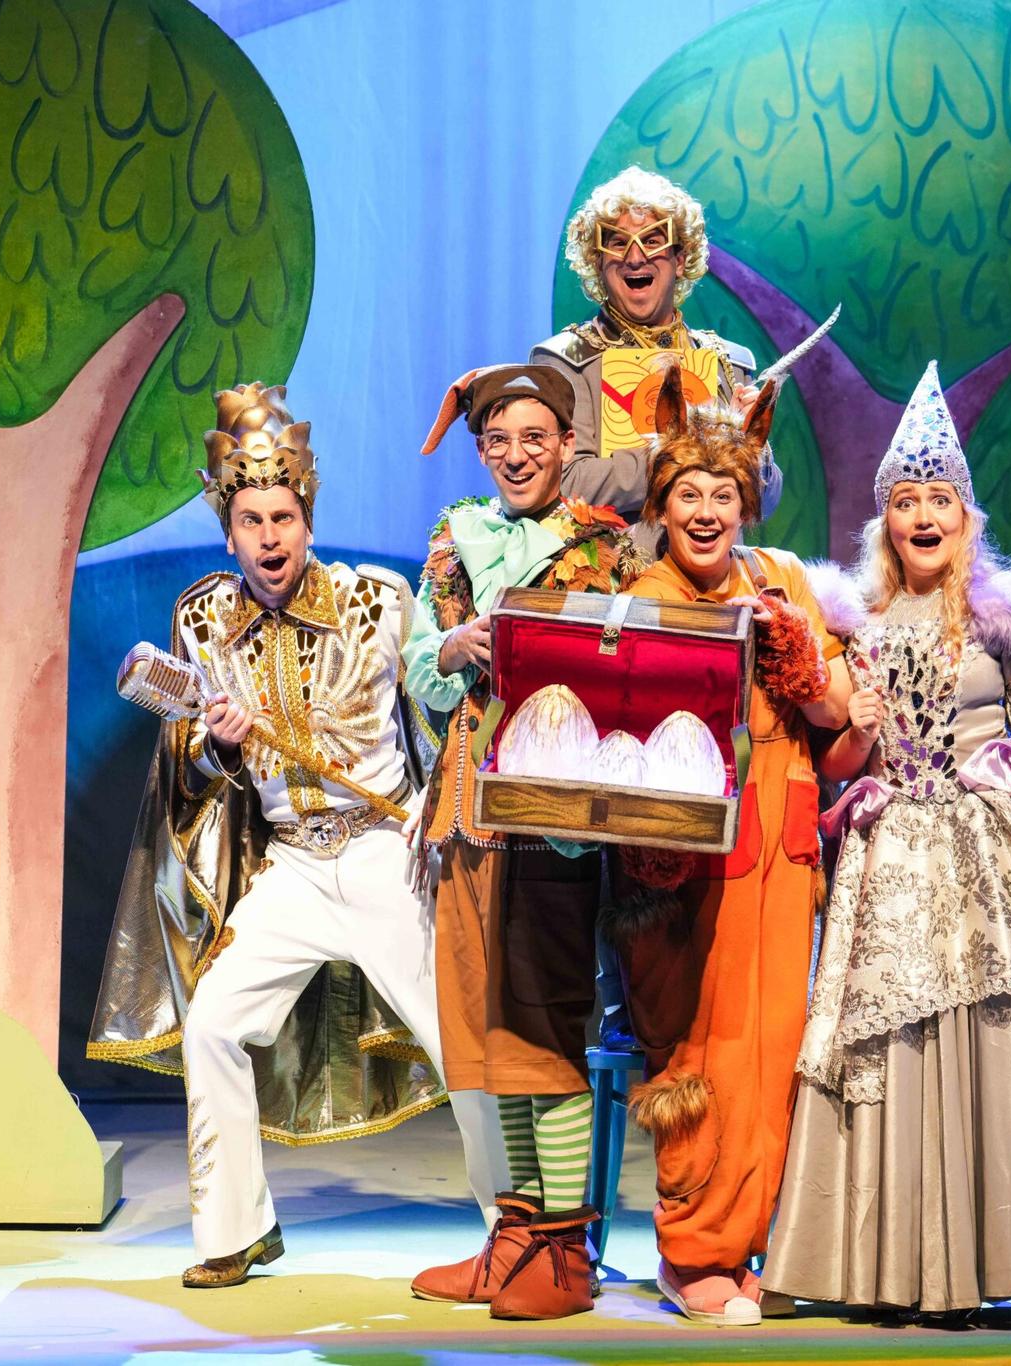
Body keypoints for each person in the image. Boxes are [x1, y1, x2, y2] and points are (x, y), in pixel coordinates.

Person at [762, 362, 1011, 1317]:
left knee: (989, 1037)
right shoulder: (853, 624)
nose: (923, 516)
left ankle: (986, 1256)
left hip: (989, 861)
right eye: (906, 501)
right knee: (888, 1041)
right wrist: (856, 730)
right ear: (885, 522)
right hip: (889, 860)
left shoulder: (1003, 623)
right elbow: (839, 761)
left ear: (966, 518)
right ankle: (886, 1265)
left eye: (939, 499)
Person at [87, 383, 502, 1290]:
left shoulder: (377, 600)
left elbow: (444, 710)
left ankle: (516, 1234)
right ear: (227, 532)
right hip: (292, 864)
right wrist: (218, 746)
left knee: (459, 1038)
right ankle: (236, 1231)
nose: (269, 537)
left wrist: (442, 816)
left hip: (385, 851)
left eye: (282, 517)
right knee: (214, 1024)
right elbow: (192, 766)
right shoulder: (202, 620)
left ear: (307, 518)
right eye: (251, 521)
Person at [605, 365, 850, 1326]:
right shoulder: (643, 589)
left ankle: (756, 1245)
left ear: (747, 502)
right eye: (688, 495)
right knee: (702, 1045)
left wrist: (796, 651)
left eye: (723, 495)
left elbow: (834, 711)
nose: (706, 513)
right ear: (661, 506)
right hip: (685, 859)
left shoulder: (782, 577)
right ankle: (694, 1250)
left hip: (781, 845)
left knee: (776, 1049)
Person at [405, 365, 645, 1320]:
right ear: (480, 452)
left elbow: (630, 668)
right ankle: (515, 1233)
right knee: (486, 1027)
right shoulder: (454, 537)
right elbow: (420, 667)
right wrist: (450, 648)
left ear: (567, 446)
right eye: (499, 440)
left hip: (552, 816)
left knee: (544, 1020)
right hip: (467, 810)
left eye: (535, 437)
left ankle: (565, 1250)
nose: (516, 456)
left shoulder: (603, 545)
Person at [533, 165, 783, 549]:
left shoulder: (727, 364)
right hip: (612, 578)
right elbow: (565, 482)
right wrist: (676, 455)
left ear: (680, 260)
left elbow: (763, 503)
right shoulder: (566, 363)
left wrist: (752, 449)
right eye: (617, 243)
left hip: (711, 579)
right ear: (597, 262)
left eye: (652, 240)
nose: (635, 258)